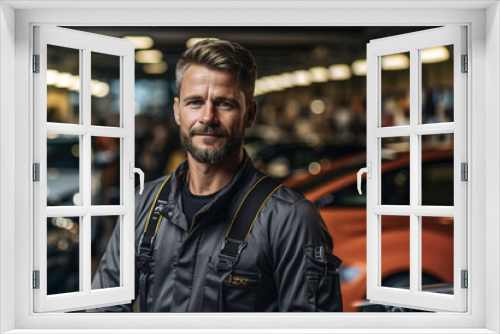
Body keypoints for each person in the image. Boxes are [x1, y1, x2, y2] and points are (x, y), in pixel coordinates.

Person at [90, 39, 342, 312]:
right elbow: (104, 309)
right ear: (177, 111)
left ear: (250, 114)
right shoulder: (143, 204)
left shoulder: (289, 218)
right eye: (195, 102)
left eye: (224, 104)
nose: (207, 117)